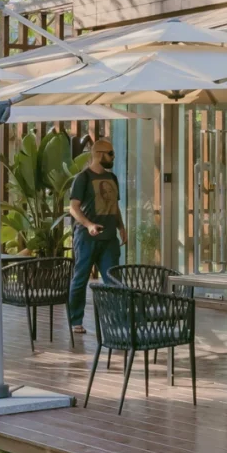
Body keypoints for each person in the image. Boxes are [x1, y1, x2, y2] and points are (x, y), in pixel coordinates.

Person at [67, 137, 127, 335]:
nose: (113, 157)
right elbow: (73, 208)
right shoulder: (83, 178)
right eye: (110, 153)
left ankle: (117, 320)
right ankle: (75, 320)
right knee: (81, 278)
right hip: (86, 238)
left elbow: (114, 206)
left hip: (109, 238)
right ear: (99, 154)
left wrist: (121, 227)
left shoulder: (113, 178)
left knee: (113, 280)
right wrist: (89, 225)